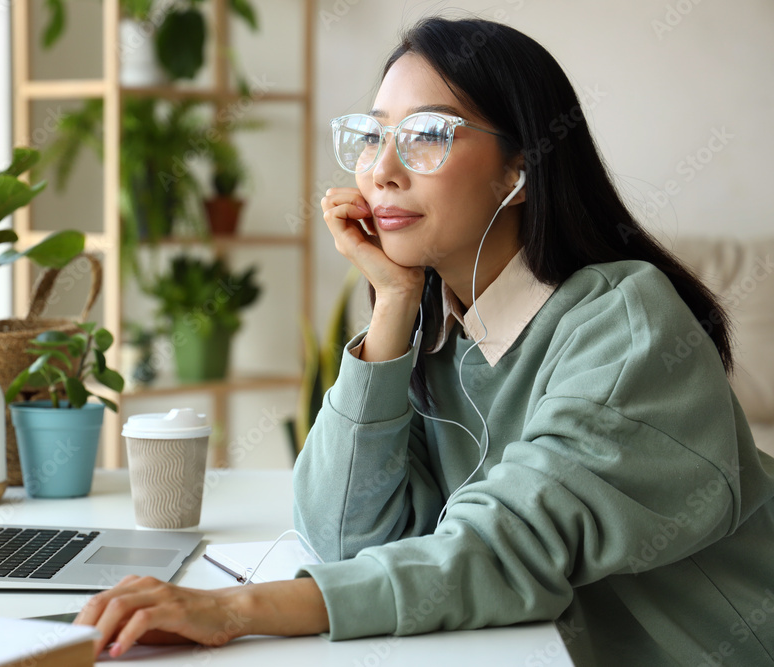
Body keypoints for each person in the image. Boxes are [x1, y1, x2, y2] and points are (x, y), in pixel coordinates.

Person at [74, 16, 774, 665]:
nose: (381, 168)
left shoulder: (625, 325)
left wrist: (237, 607)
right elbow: (343, 535)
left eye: (428, 135)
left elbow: (504, 545)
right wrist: (393, 307)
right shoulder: (438, 329)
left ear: (519, 169)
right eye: (374, 134)